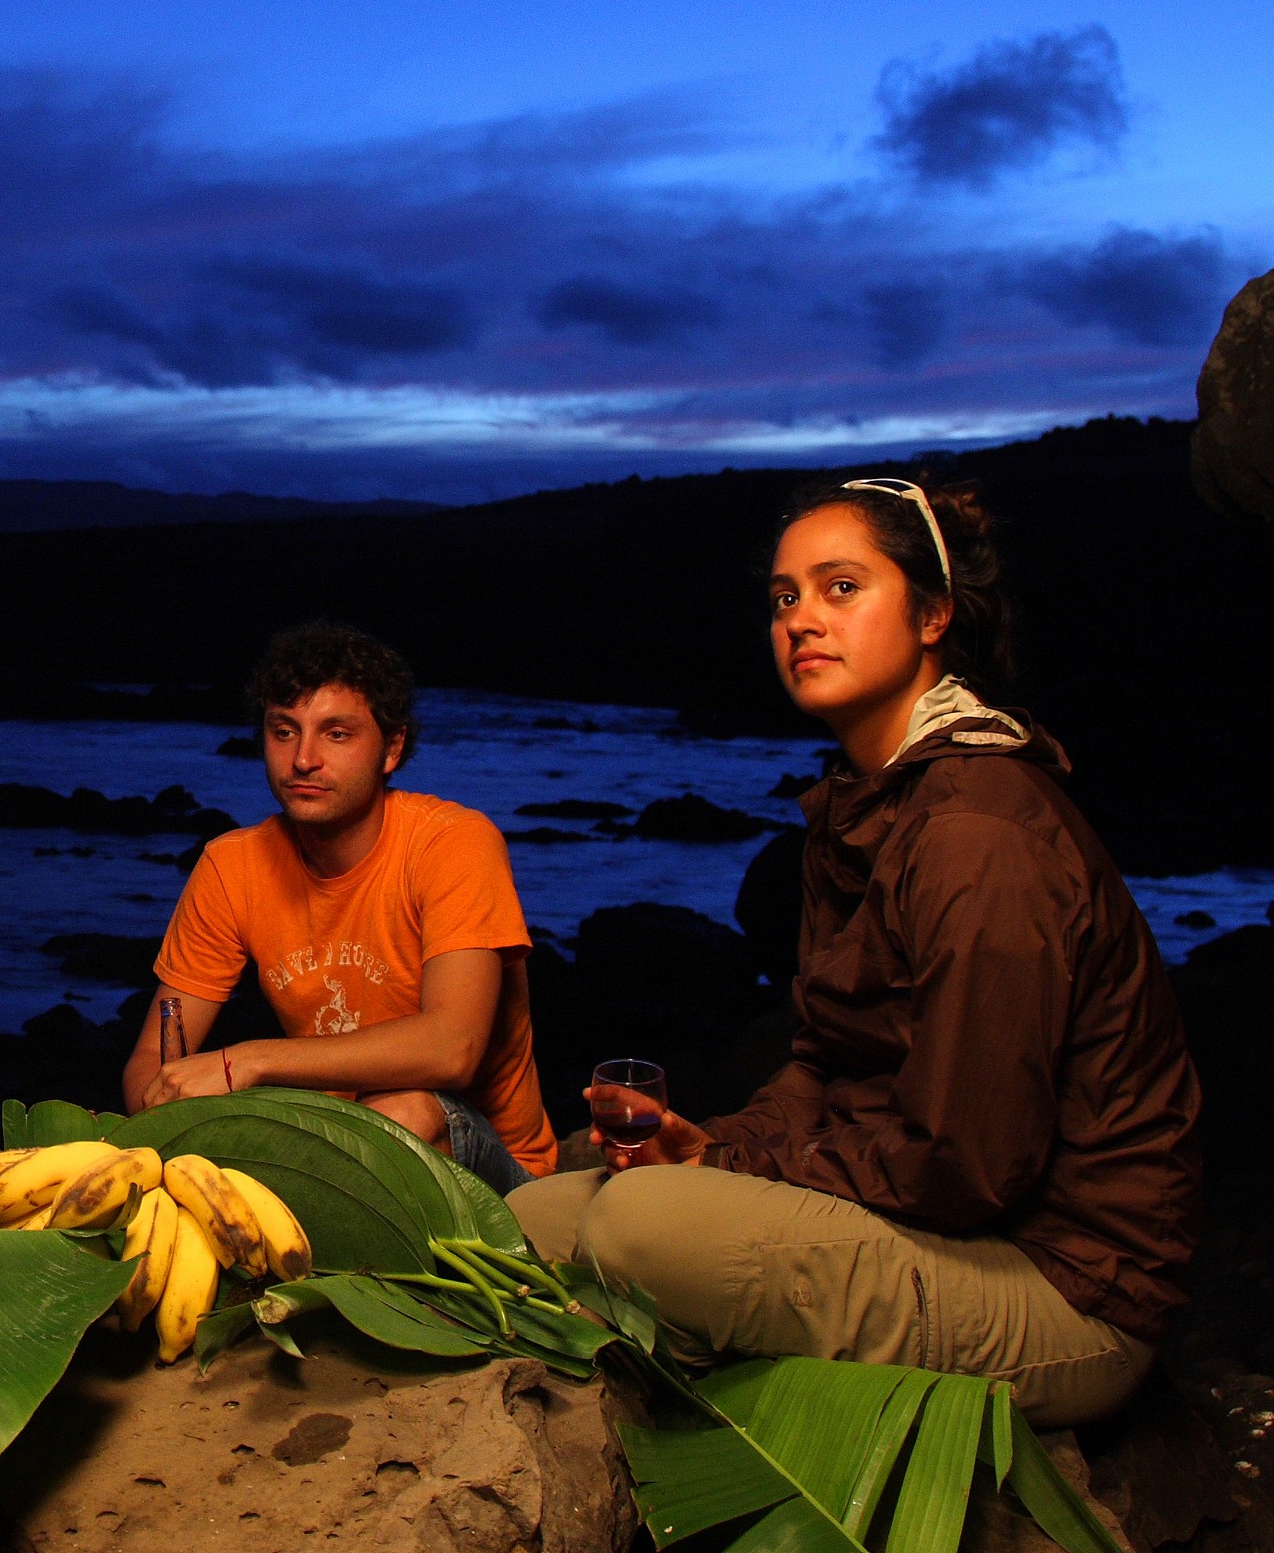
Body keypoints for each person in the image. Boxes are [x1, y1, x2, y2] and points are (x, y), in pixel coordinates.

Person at [507, 477, 1203, 1425]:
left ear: (932, 615)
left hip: (1065, 1286)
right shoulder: (864, 807)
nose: (801, 620)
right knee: (528, 1222)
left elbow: (965, 1164)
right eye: (785, 597)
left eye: (841, 588)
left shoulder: (976, 832)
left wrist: (729, 1177)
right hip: (929, 1217)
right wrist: (715, 1143)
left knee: (636, 1224)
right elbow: (826, 1063)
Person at [120, 621, 560, 1191]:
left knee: (404, 1109)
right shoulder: (232, 867)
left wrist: (245, 1062)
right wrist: (174, 1110)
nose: (303, 760)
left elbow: (455, 1049)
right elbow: (149, 1064)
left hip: (498, 1169)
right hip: (331, 1152)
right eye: (284, 732)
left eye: (336, 734)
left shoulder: (453, 842)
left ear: (391, 748)